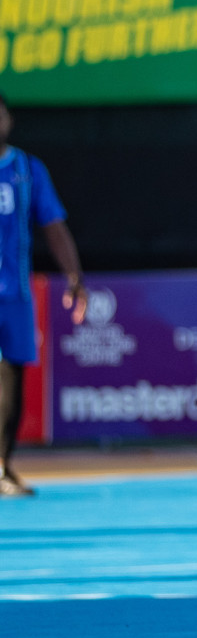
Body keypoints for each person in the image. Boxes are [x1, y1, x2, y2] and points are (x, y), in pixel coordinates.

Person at [0, 94, 88, 497]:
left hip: (13, 295)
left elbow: (54, 227)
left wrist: (73, 277)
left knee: (10, 382)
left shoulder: (26, 169)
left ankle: (2, 468)